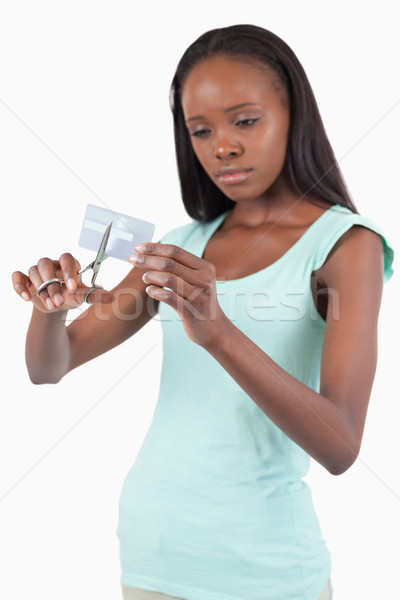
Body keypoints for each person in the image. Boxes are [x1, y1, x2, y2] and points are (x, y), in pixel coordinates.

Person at [12, 24, 394, 600]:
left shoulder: (346, 245)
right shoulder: (178, 247)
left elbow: (341, 446)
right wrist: (49, 310)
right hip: (151, 554)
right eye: (200, 129)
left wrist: (217, 332)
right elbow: (50, 367)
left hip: (265, 572)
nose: (223, 146)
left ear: (296, 116)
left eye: (245, 120)